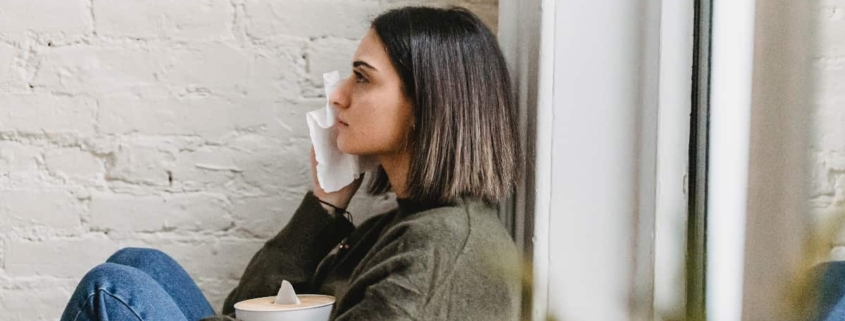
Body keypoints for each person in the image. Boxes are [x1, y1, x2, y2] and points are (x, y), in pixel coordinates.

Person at [60, 6, 523, 321]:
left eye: (362, 78)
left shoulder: (437, 249)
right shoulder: (398, 226)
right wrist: (324, 206)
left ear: (424, 106)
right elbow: (247, 307)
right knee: (139, 264)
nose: (338, 94)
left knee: (110, 289)